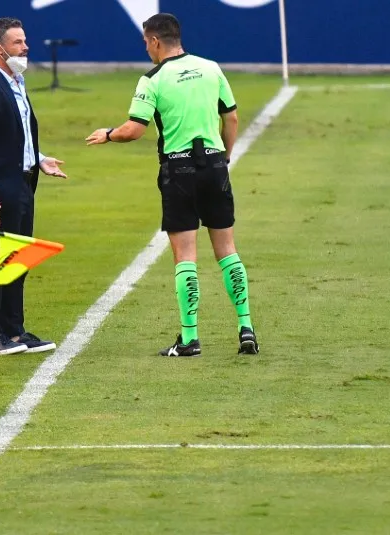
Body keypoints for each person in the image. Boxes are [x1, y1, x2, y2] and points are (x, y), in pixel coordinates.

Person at [85, 13, 259, 357]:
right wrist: (224, 157)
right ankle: (246, 327)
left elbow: (135, 129)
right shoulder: (211, 68)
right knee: (227, 250)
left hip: (179, 172)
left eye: (146, 44)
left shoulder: (152, 79)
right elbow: (232, 117)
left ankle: (190, 338)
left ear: (154, 41)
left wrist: (108, 134)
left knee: (186, 256)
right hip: (213, 166)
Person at [0, 17, 67, 357]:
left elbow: (16, 132)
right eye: (18, 42)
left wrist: (39, 158)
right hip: (0, 187)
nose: (25, 47)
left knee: (18, 257)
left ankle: (14, 328)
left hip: (23, 182)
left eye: (24, 41)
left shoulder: (16, 82)